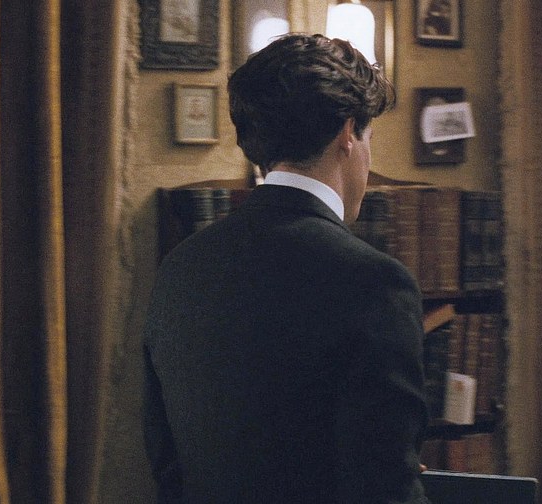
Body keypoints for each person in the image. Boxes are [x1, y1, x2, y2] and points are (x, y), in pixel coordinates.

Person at [143, 33, 430, 503]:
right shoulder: (375, 283)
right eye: (370, 138)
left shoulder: (180, 269)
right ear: (349, 134)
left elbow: (167, 465)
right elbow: (386, 491)